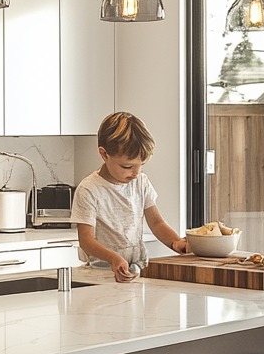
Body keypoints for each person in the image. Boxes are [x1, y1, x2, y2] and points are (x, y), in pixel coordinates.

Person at [71, 111, 187, 282]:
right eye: (127, 166)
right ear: (104, 154)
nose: (136, 172)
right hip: (102, 273)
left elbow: (156, 223)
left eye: (141, 165)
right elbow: (86, 240)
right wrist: (113, 258)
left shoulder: (141, 182)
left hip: (137, 268)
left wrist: (175, 242)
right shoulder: (89, 189)